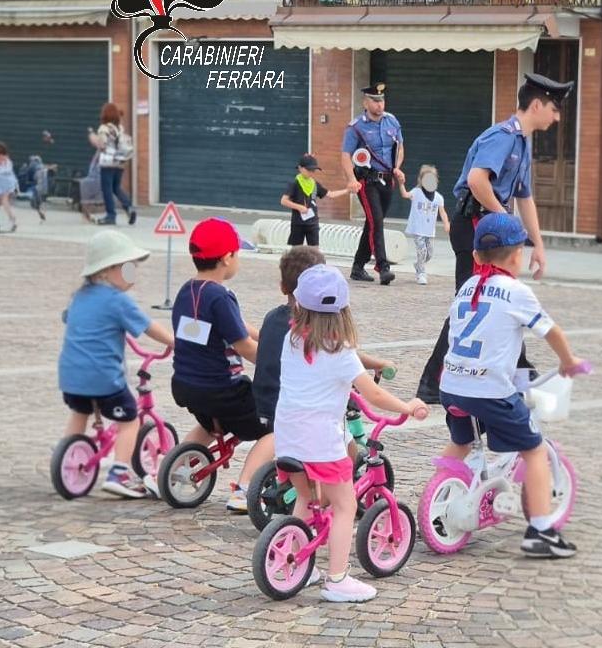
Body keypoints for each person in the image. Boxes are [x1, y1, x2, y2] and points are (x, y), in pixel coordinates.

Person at [274, 264, 429, 601]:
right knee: (344, 505)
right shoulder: (340, 352)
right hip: (320, 440)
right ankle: (337, 579)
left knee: (306, 497)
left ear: (297, 305)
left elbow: (314, 380)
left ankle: (296, 558)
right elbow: (372, 394)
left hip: (287, 435)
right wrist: (407, 407)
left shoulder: (291, 339)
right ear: (343, 312)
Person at [415, 72, 573, 403]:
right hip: (474, 224)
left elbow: (525, 196)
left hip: (488, 226)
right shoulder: (503, 136)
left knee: (493, 298)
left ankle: (521, 374)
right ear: (536, 105)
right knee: (471, 301)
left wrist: (538, 244)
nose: (557, 117)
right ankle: (433, 383)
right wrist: (502, 216)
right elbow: (476, 180)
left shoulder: (522, 142)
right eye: (554, 109)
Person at [439, 213, 584, 558]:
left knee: (461, 443)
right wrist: (568, 362)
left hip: (451, 385)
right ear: (518, 255)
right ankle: (541, 532)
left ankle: (438, 501)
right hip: (490, 391)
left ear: (475, 256)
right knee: (533, 450)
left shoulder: (467, 286)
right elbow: (551, 332)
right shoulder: (516, 291)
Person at [58, 231, 175, 497]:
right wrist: (175, 341)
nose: (133, 273)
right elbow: (148, 327)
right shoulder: (118, 300)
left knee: (80, 412)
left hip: (71, 376)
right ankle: (120, 473)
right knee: (130, 421)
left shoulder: (79, 296)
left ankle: (67, 453)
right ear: (109, 269)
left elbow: (69, 318)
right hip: (103, 378)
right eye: (128, 267)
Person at [168, 217, 273, 511]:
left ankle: (172, 469)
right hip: (223, 389)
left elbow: (233, 327)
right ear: (227, 258)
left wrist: (268, 337)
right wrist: (273, 363)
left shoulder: (187, 291)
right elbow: (242, 345)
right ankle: (244, 489)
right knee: (276, 426)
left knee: (208, 422)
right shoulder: (221, 297)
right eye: (237, 253)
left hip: (187, 385)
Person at [253, 245, 396, 444]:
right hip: (301, 419)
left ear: (283, 286)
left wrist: (375, 363)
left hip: (263, 408)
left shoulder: (272, 319)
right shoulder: (315, 331)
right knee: (344, 447)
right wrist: (379, 365)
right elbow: (342, 355)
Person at [341, 82, 404, 285]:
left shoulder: (392, 122)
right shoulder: (356, 127)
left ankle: (358, 267)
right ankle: (383, 267)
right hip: (367, 181)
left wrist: (397, 167)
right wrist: (351, 179)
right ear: (365, 102)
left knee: (372, 223)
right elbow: (345, 155)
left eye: (382, 100)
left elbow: (400, 147)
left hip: (387, 179)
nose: (380, 104)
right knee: (376, 221)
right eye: (375, 101)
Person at [279, 154, 350, 247]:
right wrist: (299, 207)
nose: (311, 173)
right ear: (300, 168)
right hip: (298, 222)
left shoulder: (315, 184)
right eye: (309, 170)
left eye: (313, 170)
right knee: (297, 251)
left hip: (312, 222)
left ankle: (314, 262)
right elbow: (284, 201)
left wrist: (347, 190)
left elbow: (330, 194)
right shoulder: (294, 183)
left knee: (314, 250)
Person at [399, 164, 450, 285]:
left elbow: (443, 212)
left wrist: (446, 224)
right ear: (421, 180)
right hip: (418, 229)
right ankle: (421, 273)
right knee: (421, 251)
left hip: (429, 230)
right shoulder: (416, 192)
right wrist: (401, 183)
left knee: (429, 254)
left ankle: (418, 264)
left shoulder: (438, 197)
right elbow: (405, 194)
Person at [88, 102, 137, 226]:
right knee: (116, 187)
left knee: (107, 189)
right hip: (119, 162)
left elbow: (102, 144)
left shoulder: (104, 128)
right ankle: (129, 207)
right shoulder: (120, 128)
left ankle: (111, 215)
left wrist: (92, 137)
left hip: (108, 163)